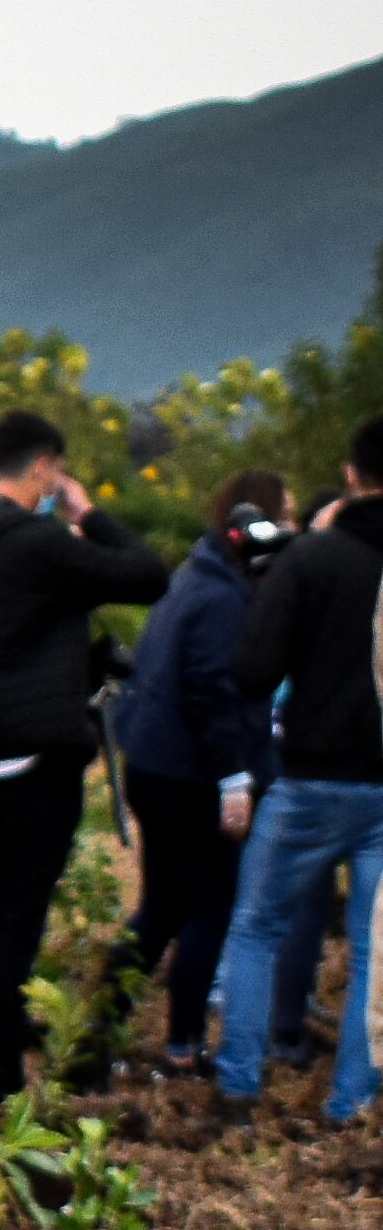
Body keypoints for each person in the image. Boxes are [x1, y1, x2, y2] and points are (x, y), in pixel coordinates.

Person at [0, 410, 164, 1100]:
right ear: (43, 468)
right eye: (56, 476)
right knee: (17, 918)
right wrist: (89, 512)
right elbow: (147, 574)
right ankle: (2, 1073)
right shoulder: (40, 546)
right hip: (33, 759)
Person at [208, 421, 383, 1127]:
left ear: (349, 474)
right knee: (374, 951)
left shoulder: (312, 558)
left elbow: (251, 671)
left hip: (312, 776)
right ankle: (351, 1102)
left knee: (256, 928)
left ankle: (238, 1092)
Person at [111, 474, 292, 1069]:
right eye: (281, 518)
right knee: (206, 908)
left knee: (161, 907)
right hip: (190, 777)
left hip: (156, 766)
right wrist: (233, 779)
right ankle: (183, 1043)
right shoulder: (224, 599)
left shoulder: (195, 577)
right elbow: (214, 694)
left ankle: (99, 1031)